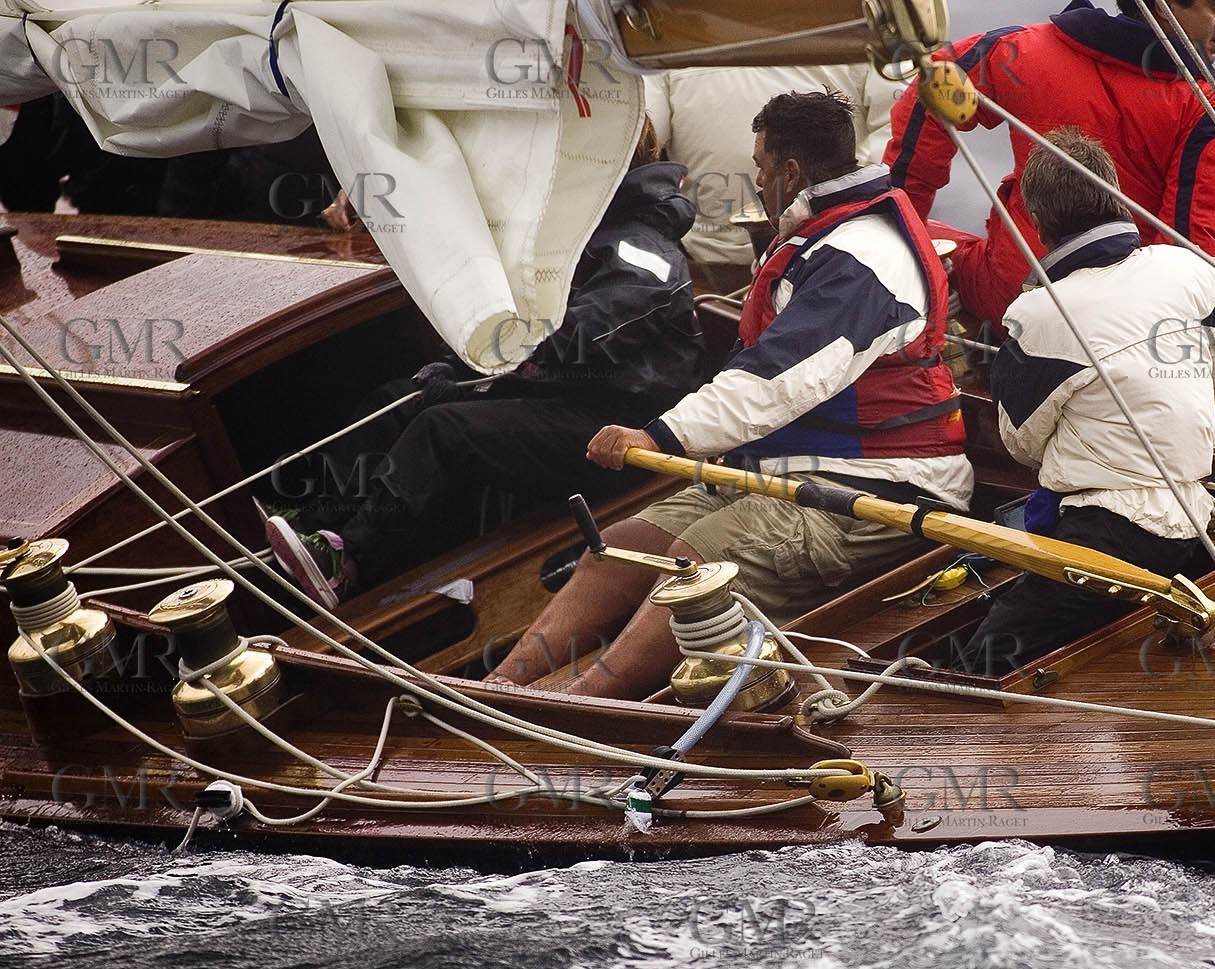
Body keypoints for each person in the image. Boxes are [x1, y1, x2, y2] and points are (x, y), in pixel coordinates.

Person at [488, 91, 972, 698]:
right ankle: (495, 691)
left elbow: (779, 379)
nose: (758, 180)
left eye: (761, 167)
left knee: (702, 559)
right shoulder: (827, 237)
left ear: (790, 171)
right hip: (791, 473)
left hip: (882, 490)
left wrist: (660, 436)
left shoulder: (863, 256)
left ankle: (579, 706)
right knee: (621, 547)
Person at [263, 118, 712, 608]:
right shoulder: (575, 236)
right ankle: (310, 527)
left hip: (615, 430)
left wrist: (488, 366)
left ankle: (350, 561)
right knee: (401, 399)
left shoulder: (642, 248)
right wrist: (458, 368)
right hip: (559, 397)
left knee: (442, 430)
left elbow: (586, 336)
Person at [958, 126, 1215, 675]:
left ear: (1036, 222)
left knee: (979, 664)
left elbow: (1021, 444)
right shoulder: (1188, 269)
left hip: (1106, 534)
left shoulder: (1036, 318)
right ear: (1115, 194)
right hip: (1190, 521)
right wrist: (1171, 381)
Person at [882, 0, 1215, 329]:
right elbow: (1193, 256)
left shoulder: (1025, 50)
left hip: (1007, 296)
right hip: (1115, 324)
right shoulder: (1204, 110)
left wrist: (904, 229)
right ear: (1163, 7)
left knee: (909, 233)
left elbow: (930, 88)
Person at [644, 65, 900, 293]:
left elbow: (892, 126)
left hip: (829, 251)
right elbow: (644, 136)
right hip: (705, 262)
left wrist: (844, 211)